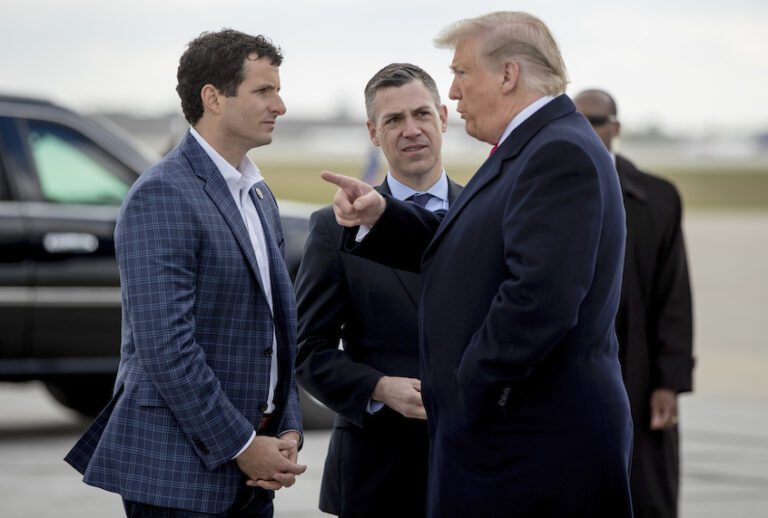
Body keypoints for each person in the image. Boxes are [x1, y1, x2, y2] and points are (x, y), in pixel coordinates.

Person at [321, 11, 633, 518]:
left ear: (508, 75)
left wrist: (464, 392)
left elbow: (539, 299)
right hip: (515, 440)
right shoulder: (533, 145)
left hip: (531, 443)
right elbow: (468, 248)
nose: (454, 92)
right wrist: (383, 217)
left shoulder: (557, 153)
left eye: (462, 73)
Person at [64, 29, 306, 517]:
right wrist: (242, 445)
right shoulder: (163, 194)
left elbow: (275, 332)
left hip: (254, 470)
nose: (279, 105)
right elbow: (166, 348)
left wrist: (287, 427)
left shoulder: (258, 194)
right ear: (213, 98)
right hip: (178, 475)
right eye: (263, 90)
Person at [294, 63, 462, 518]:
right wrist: (379, 388)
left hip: (476, 467)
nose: (411, 130)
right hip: (377, 474)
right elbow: (308, 350)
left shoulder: (488, 213)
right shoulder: (334, 228)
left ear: (443, 118)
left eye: (421, 114)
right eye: (393, 120)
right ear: (373, 132)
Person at [574, 88, 694, 518]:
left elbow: (674, 295)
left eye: (597, 120)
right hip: (572, 373)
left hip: (639, 371)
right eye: (577, 119)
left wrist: (670, 382)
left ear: (616, 128)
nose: (587, 129)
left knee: (646, 491)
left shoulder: (656, 197)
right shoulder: (547, 192)